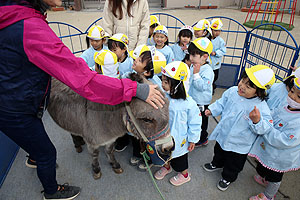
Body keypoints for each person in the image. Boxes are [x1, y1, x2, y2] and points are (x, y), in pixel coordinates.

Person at [0, 1, 165, 200]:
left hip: (18, 97)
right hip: (14, 107)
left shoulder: (16, 16)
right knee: (48, 153)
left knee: (35, 142)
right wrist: (135, 88)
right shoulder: (29, 27)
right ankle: (51, 191)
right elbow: (83, 80)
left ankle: (34, 153)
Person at [203, 65, 275, 191]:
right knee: (219, 150)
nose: (242, 86)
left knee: (234, 162)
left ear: (259, 91)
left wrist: (257, 121)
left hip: (240, 143)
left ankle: (228, 177)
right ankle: (217, 163)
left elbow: (266, 127)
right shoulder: (232, 91)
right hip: (224, 133)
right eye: (242, 81)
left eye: (248, 86)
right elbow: (221, 102)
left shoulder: (261, 107)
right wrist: (212, 109)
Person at [248, 78, 300, 200]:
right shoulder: (286, 105)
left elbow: (285, 140)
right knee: (264, 165)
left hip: (281, 156)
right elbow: (273, 114)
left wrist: (264, 127)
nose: (292, 97)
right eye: (292, 91)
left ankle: (269, 195)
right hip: (270, 147)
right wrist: (263, 118)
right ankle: (264, 178)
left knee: (275, 175)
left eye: (299, 96)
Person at [154, 61, 201, 186]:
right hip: (164, 135)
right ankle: (167, 166)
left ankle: (184, 174)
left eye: (166, 82)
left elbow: (195, 123)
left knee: (179, 159)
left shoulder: (189, 104)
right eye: (162, 80)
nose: (162, 84)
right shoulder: (165, 96)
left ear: (177, 84)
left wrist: (193, 140)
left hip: (179, 139)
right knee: (164, 154)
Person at [127, 45, 166, 171]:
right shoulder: (134, 76)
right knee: (135, 138)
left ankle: (148, 160)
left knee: (148, 142)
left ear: (147, 72)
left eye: (139, 60)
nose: (135, 60)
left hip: (147, 121)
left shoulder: (154, 85)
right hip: (134, 117)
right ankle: (137, 154)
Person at [187, 38, 214, 147]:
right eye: (190, 55)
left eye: (194, 55)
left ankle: (203, 138)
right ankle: (193, 136)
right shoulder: (194, 65)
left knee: (202, 121)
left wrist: (196, 74)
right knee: (193, 118)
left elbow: (203, 87)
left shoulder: (207, 70)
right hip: (193, 98)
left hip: (201, 102)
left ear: (205, 56)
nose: (191, 58)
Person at [210, 18, 226, 94]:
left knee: (215, 76)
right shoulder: (207, 39)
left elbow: (223, 50)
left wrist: (216, 53)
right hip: (207, 62)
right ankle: (209, 87)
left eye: (219, 31)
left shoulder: (221, 41)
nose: (217, 32)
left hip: (216, 62)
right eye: (215, 30)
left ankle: (213, 85)